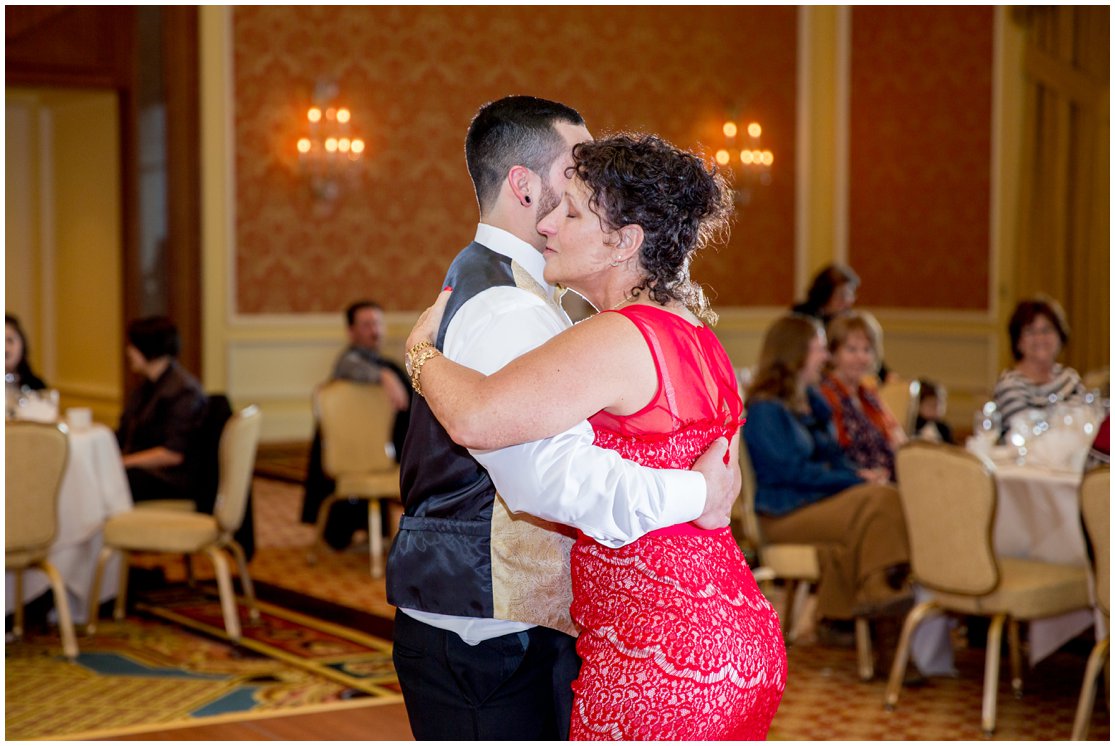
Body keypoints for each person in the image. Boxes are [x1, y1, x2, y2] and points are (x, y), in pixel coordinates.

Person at [403, 132, 785, 740]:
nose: (549, 224)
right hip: (734, 626)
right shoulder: (698, 336)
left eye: (573, 212)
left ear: (625, 243)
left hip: (659, 649)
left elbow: (476, 418)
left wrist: (422, 355)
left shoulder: (616, 337)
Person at [742, 315, 911, 635]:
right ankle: (883, 612)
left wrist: (858, 474)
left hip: (814, 503)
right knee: (879, 502)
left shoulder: (808, 402)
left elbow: (833, 457)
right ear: (795, 354)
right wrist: (856, 481)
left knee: (880, 505)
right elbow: (793, 473)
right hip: (783, 514)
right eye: (818, 349)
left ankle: (869, 610)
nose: (825, 356)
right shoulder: (766, 409)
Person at [299, 300, 411, 549]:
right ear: (351, 331)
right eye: (367, 324)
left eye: (378, 323)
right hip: (352, 452)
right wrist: (383, 376)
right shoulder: (349, 363)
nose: (375, 330)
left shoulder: (382, 362)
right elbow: (347, 365)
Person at [116, 316, 207, 504]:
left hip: (170, 478)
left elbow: (173, 454)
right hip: (146, 471)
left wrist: (122, 463)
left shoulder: (183, 391)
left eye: (133, 346)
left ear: (148, 348)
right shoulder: (147, 387)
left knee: (114, 481)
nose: (129, 352)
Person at [819, 311, 905, 481]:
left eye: (867, 350)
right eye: (851, 350)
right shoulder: (825, 394)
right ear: (833, 353)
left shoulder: (867, 395)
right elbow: (833, 454)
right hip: (855, 483)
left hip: (889, 478)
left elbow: (898, 438)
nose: (861, 358)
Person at [993, 296, 1087, 432]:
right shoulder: (1010, 384)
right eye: (1030, 331)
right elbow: (1024, 434)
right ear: (1018, 341)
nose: (1040, 338)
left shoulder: (1069, 379)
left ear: (1060, 336)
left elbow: (1084, 427)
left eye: (1047, 330)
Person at [792, 263, 860, 328]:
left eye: (851, 294)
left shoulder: (848, 318)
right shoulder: (801, 316)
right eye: (842, 295)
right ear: (825, 294)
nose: (849, 300)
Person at [913, 378, 954, 444]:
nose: (937, 409)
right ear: (918, 406)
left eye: (939, 404)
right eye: (931, 405)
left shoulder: (943, 428)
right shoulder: (913, 425)